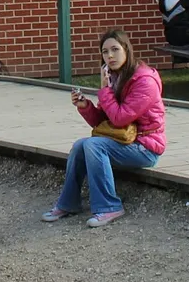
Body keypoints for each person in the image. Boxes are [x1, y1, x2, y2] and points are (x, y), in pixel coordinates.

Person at [43, 30, 166, 226]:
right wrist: (85, 106)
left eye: (115, 50)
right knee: (80, 145)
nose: (110, 56)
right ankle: (68, 203)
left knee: (94, 145)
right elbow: (104, 122)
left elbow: (120, 119)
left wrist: (105, 90)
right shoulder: (116, 78)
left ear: (126, 50)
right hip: (123, 141)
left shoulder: (145, 82)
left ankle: (109, 207)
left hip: (145, 147)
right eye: (105, 51)